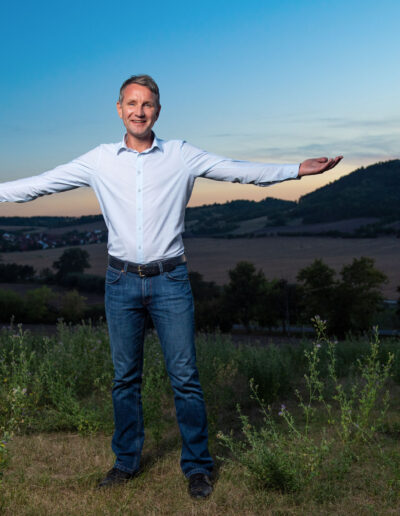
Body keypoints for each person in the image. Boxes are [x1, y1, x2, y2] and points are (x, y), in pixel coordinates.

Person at [0, 74, 342, 498]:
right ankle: (125, 462)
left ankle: (197, 467)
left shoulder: (181, 154)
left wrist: (295, 170)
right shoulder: (99, 160)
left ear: (157, 111)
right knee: (125, 378)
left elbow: (237, 172)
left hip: (170, 281)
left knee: (185, 377)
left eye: (147, 104)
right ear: (119, 109)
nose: (139, 111)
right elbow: (39, 184)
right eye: (131, 103)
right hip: (121, 281)